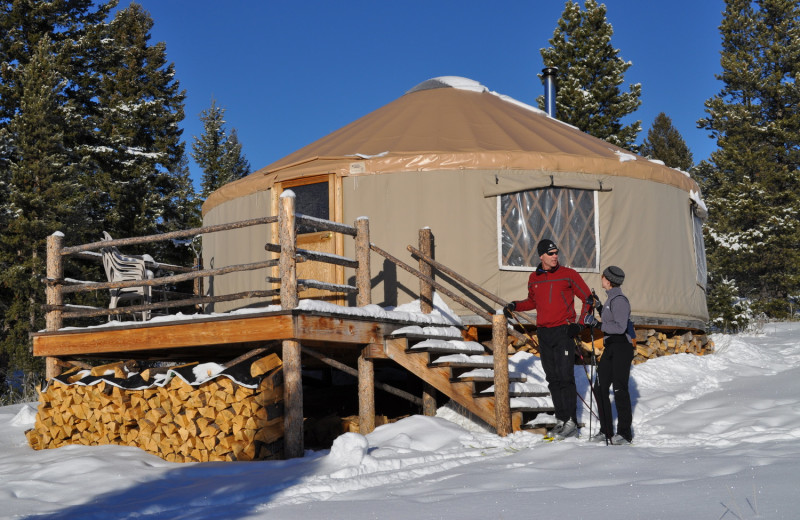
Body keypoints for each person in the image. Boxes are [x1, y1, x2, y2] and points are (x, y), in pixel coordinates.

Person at [504, 239, 592, 439]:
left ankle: (570, 421)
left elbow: (588, 298)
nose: (555, 257)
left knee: (565, 376)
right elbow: (532, 301)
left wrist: (580, 324)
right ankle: (561, 419)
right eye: (550, 254)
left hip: (564, 331)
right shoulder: (534, 278)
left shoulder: (569, 275)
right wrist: (515, 305)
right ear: (541, 256)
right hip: (544, 333)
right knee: (552, 378)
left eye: (556, 253)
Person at [585, 266, 634, 445]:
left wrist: (597, 326)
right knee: (600, 387)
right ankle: (606, 430)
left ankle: (624, 433)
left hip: (621, 346)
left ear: (608, 280)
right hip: (611, 347)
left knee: (620, 389)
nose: (601, 278)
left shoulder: (619, 300)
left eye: (603, 276)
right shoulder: (610, 300)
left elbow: (620, 327)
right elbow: (609, 320)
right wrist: (598, 306)